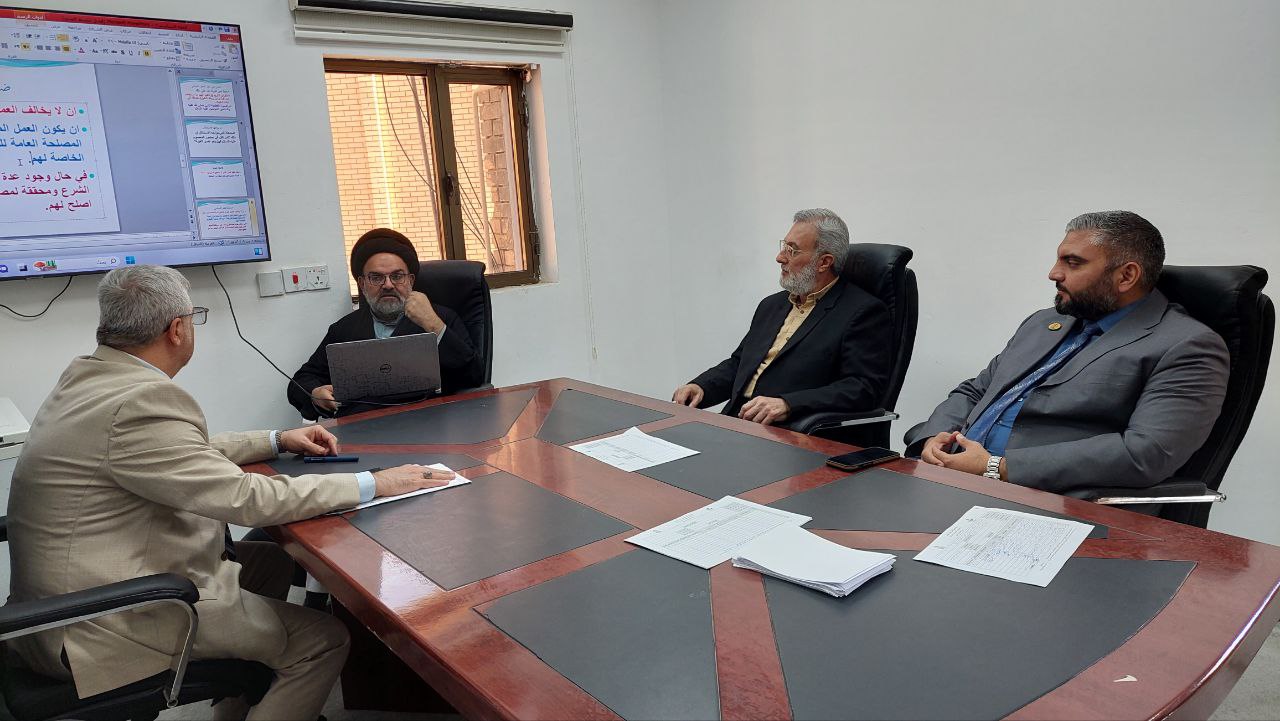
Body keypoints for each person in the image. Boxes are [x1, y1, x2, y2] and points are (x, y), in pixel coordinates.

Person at [6, 265, 454, 721]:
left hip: (62, 605)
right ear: (176, 329)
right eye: (194, 317)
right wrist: (375, 483)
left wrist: (277, 439)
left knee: (273, 562)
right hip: (108, 621)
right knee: (323, 641)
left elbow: (175, 453)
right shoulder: (138, 401)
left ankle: (240, 702)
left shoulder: (91, 376)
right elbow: (248, 499)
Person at [904, 210, 1229, 494]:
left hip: (1045, 500)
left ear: (1126, 276)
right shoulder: (1044, 322)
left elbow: (1145, 453)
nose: (1054, 273)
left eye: (1073, 263)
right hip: (948, 480)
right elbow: (976, 391)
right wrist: (933, 438)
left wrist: (995, 467)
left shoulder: (1187, 346)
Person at [672, 208, 892, 427]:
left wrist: (788, 404)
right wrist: (702, 387)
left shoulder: (863, 312)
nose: (780, 258)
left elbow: (862, 388)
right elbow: (740, 364)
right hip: (738, 422)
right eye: (784, 246)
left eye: (792, 250)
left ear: (824, 262)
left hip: (792, 432)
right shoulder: (771, 305)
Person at [287, 228, 484, 419]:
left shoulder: (441, 318)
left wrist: (434, 326)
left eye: (397, 276)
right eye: (376, 277)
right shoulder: (344, 329)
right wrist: (315, 393)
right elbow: (300, 381)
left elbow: (474, 375)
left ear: (410, 281)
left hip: (428, 423)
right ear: (362, 284)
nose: (388, 285)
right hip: (362, 427)